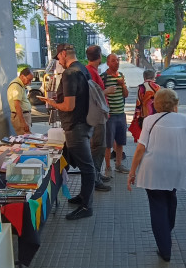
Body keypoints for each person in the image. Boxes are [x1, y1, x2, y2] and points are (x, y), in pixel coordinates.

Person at [127, 88, 186, 262]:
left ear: (156, 104)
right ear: (175, 104)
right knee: (170, 198)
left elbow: (141, 148)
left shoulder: (149, 121)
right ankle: (167, 230)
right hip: (176, 169)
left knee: (157, 206)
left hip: (153, 170)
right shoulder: (185, 120)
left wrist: (132, 172)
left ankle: (165, 249)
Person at [40, 44, 95, 220]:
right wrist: (60, 98)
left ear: (64, 54)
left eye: (58, 58)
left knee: (87, 167)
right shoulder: (83, 69)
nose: (59, 63)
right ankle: (83, 198)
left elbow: (69, 106)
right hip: (84, 123)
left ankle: (86, 207)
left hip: (75, 127)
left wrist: (52, 103)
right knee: (85, 166)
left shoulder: (70, 73)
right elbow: (78, 98)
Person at [85, 45, 112, 192]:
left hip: (99, 114)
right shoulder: (90, 71)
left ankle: (97, 175)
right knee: (98, 147)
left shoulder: (92, 71)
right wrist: (107, 91)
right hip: (96, 116)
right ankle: (95, 179)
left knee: (99, 146)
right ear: (99, 56)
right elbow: (94, 95)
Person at [101, 54, 130, 176]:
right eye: (113, 61)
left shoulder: (121, 76)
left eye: (117, 60)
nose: (116, 62)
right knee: (108, 143)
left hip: (121, 114)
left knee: (120, 142)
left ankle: (118, 165)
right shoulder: (104, 77)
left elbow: (126, 95)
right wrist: (106, 91)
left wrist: (123, 85)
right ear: (108, 63)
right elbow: (98, 95)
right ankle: (108, 167)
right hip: (110, 116)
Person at [128, 70, 160, 142]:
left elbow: (138, 103)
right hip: (156, 116)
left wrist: (136, 117)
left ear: (144, 77)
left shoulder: (141, 87)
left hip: (144, 116)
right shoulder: (158, 87)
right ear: (154, 77)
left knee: (145, 138)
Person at [7, 67, 34, 135]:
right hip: (21, 117)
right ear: (22, 76)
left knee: (27, 138)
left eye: (31, 80)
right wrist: (23, 122)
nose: (29, 83)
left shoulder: (20, 85)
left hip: (24, 115)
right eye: (29, 80)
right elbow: (17, 105)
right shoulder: (16, 86)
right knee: (26, 139)